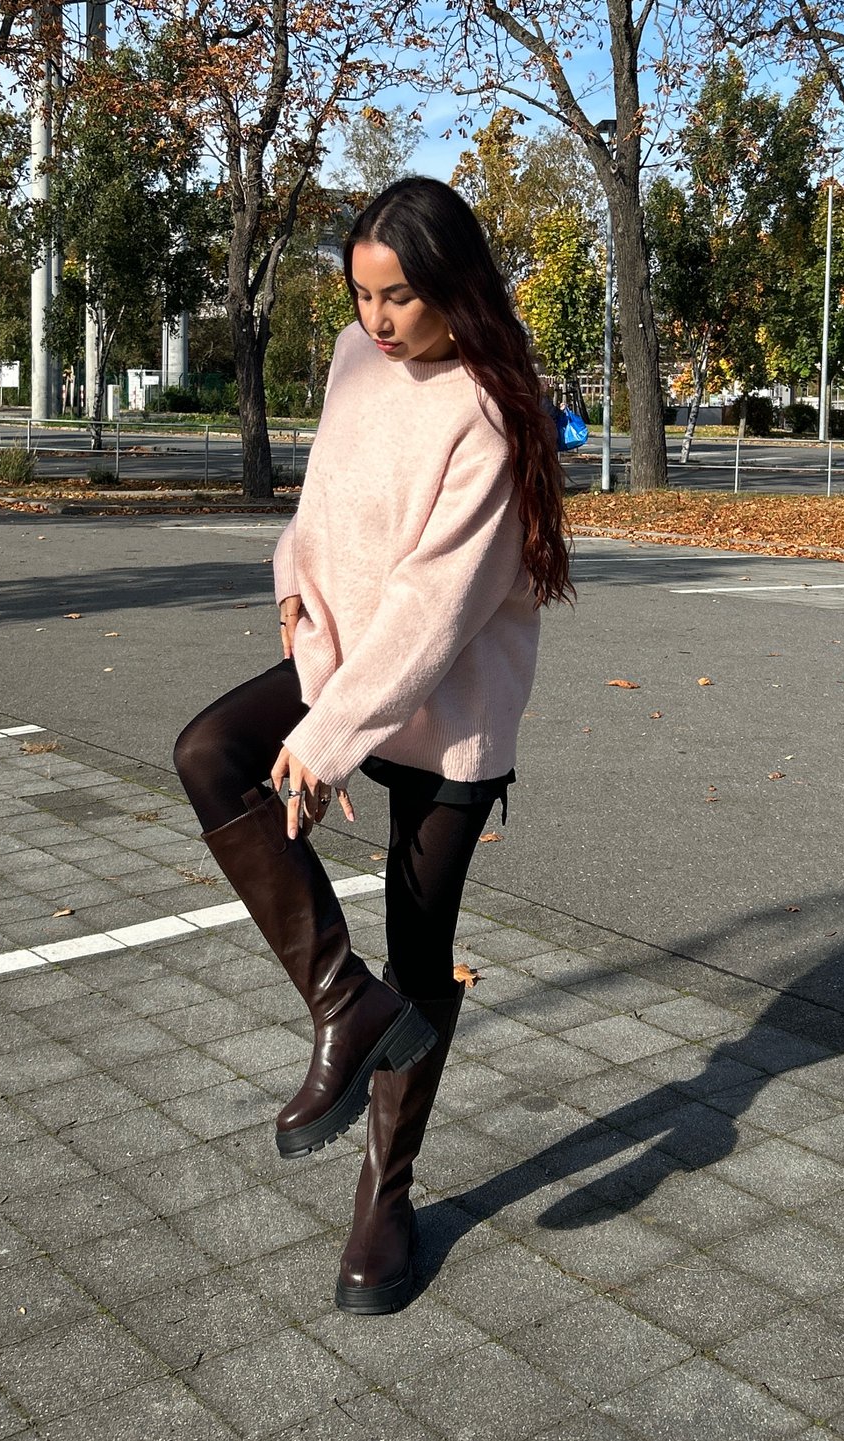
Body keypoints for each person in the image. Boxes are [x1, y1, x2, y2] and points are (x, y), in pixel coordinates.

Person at [173, 176, 572, 1314]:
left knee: (422, 950)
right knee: (208, 752)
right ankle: (342, 1006)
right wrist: (300, 619)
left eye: (398, 297)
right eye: (360, 296)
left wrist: (332, 733)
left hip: (448, 710)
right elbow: (319, 516)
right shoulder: (358, 363)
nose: (376, 321)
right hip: (341, 668)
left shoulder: (492, 409)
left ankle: (384, 1193)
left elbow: (433, 608)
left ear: (455, 287)